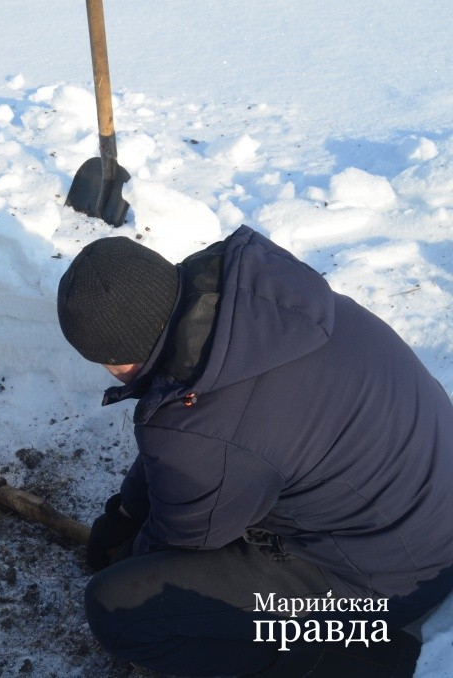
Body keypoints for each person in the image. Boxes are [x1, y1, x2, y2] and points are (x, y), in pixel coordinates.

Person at [56, 226, 453, 676]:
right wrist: (125, 513)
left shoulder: (202, 426)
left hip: (388, 583)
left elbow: (186, 537)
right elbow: (188, 433)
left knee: (121, 609)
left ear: (118, 357)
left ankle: (345, 660)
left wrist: (130, 556)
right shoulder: (256, 307)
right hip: (421, 514)